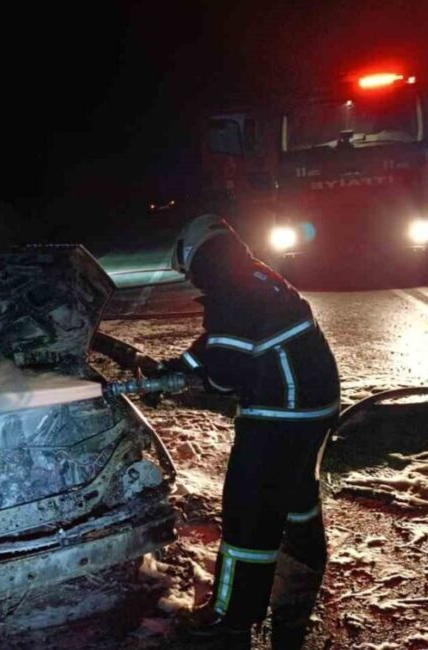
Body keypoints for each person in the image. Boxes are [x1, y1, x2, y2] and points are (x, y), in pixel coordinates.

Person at [160, 214, 340, 648]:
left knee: (249, 514)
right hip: (313, 406)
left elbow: (223, 375)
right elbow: (222, 343)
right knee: (295, 490)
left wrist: (183, 382)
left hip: (282, 412)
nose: (193, 283)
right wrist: (178, 368)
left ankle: (231, 617)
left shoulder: (233, 294)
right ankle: (302, 564)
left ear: (199, 258)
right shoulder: (252, 277)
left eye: (190, 274)